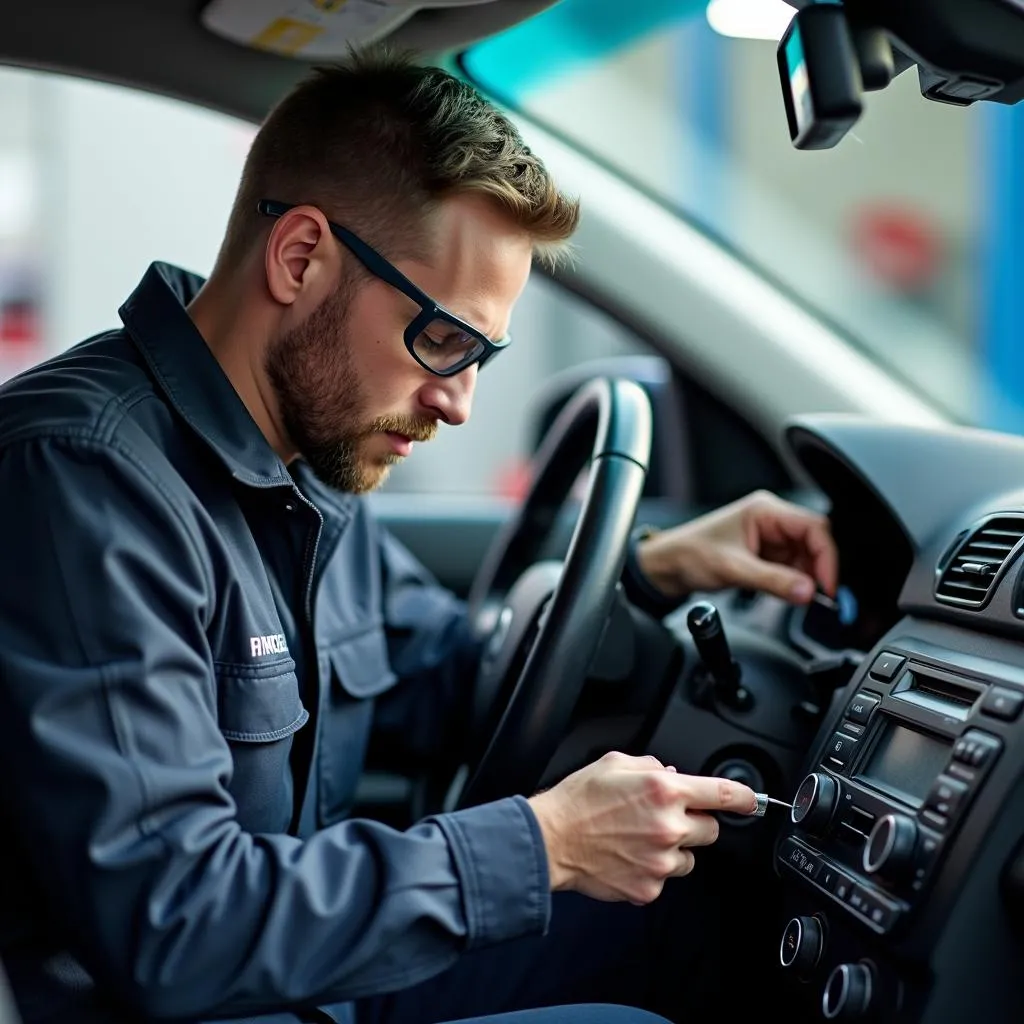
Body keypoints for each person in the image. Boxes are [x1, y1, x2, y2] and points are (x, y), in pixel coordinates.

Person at [0, 50, 838, 1024]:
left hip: (299, 975)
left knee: (704, 928)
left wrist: (649, 573)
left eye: (483, 356)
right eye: (442, 340)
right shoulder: (81, 480)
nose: (459, 400)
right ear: (300, 258)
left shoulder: (306, 455)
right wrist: (548, 845)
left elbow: (443, 670)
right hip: (184, 997)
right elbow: (174, 921)